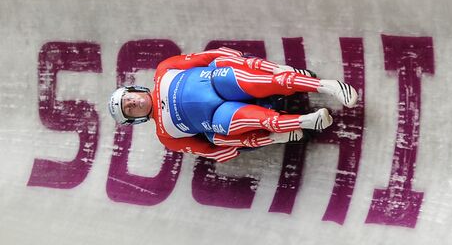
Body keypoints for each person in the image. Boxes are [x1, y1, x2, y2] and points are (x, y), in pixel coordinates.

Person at [108, 47, 358, 162]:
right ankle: (298, 123)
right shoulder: (166, 136)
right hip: (220, 115)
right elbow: (208, 151)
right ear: (135, 119)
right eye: (128, 109)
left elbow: (207, 57)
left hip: (220, 82)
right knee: (220, 134)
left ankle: (327, 86)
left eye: (128, 97)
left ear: (135, 89)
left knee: (234, 72)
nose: (132, 103)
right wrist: (241, 143)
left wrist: (236, 58)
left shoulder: (164, 70)